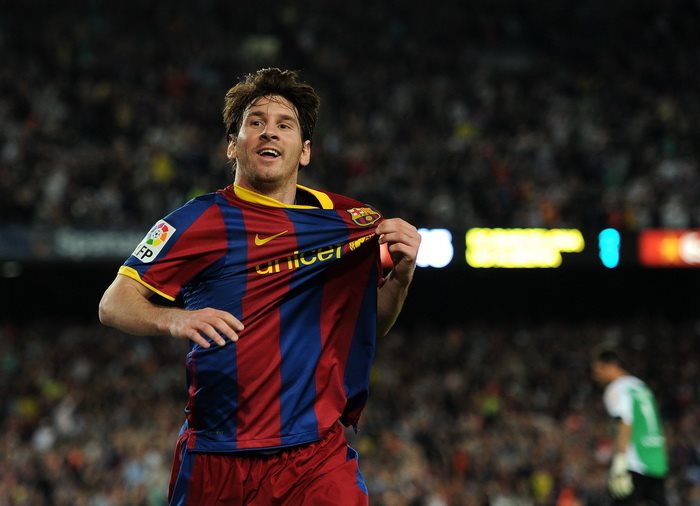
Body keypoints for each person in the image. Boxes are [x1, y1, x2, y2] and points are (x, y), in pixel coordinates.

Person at [98, 67, 420, 505]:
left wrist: (401, 277)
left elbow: (372, 323)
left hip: (314, 456)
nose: (270, 132)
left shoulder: (350, 223)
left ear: (304, 151)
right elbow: (113, 303)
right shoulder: (197, 220)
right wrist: (176, 319)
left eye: (285, 125)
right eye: (256, 122)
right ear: (233, 144)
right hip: (218, 456)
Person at [590, 344, 668, 505]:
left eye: (598, 371)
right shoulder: (640, 386)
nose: (596, 376)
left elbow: (625, 422)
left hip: (635, 462)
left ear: (610, 366)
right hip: (656, 460)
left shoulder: (616, 388)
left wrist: (619, 462)